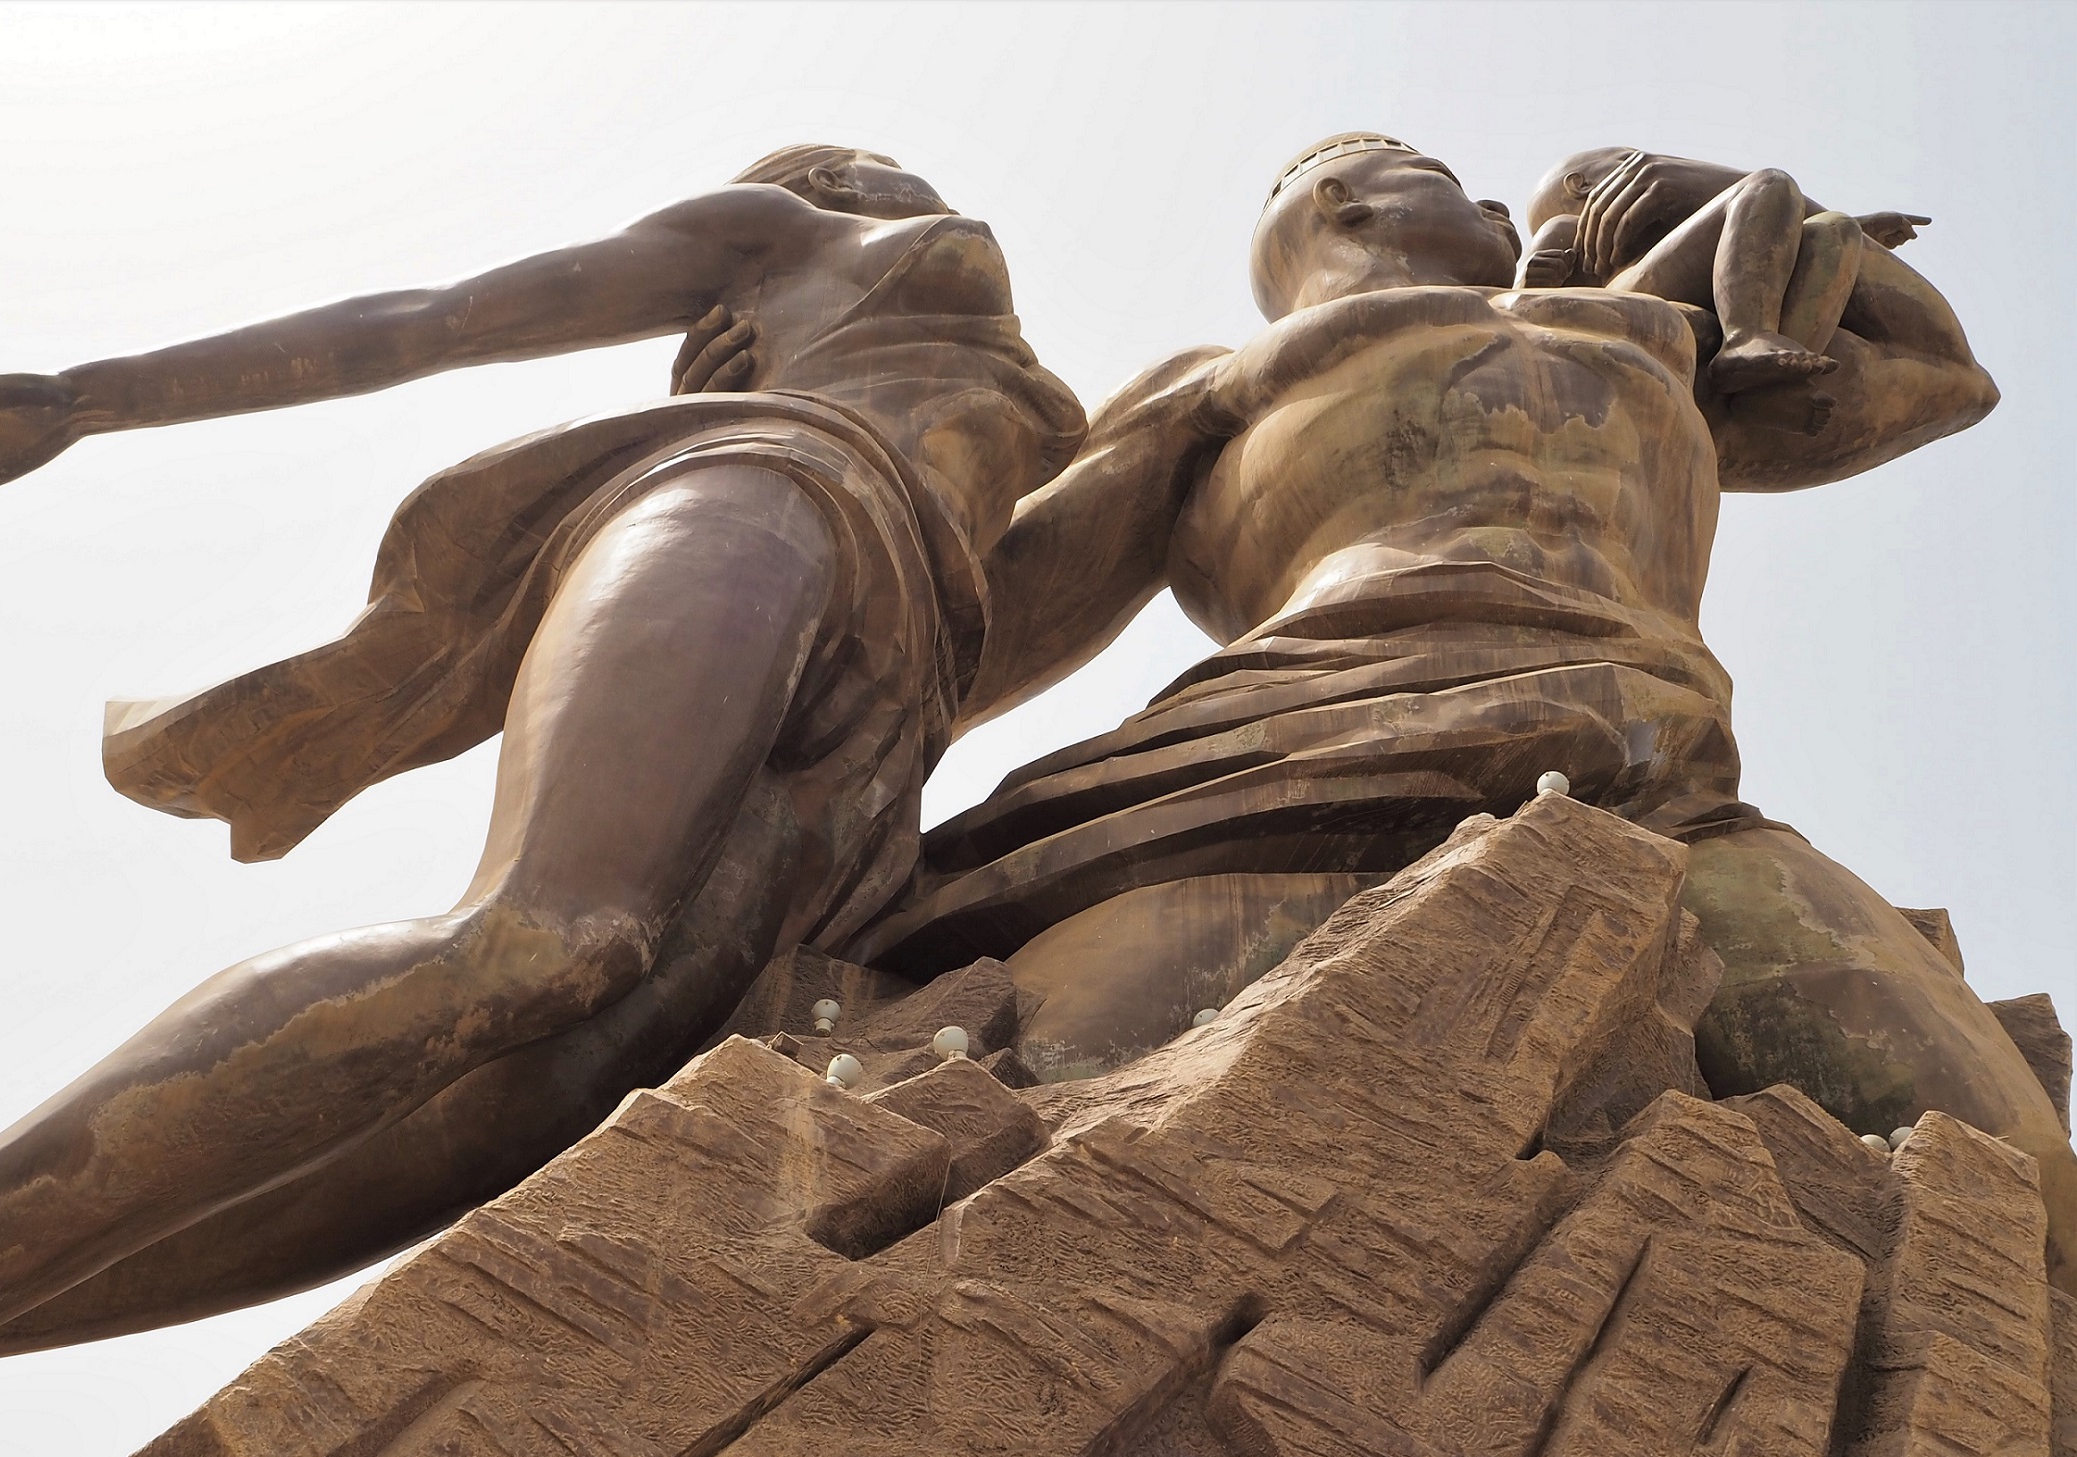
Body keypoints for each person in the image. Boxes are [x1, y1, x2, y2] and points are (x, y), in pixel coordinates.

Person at [0, 145, 1083, 1457]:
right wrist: (87, 396)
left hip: (896, 696)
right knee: (548, 940)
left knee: (521, 1112)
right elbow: (441, 317)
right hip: (771, 501)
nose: (897, 171)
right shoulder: (810, 235)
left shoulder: (1020, 409)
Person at [849, 133, 2071, 1281]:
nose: (1493, 200)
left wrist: (1677, 183)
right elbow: (963, 639)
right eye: (1437, 171)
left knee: (2008, 1188)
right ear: (1339, 201)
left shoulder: (1643, 331)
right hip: (1287, 769)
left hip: (1654, 781)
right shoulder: (1221, 386)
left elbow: (1940, 374)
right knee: (1013, 1133)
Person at [1514, 145, 1931, 394]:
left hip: (1657, 285)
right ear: (1580, 185)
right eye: (1626, 158)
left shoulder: (1675, 237)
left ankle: (1776, 386)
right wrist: (1534, 278)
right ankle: (1745, 337)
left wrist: (1861, 228)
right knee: (1768, 183)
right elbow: (1517, 303)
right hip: (1621, 294)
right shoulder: (1568, 226)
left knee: (1833, 232)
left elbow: (1763, 240)